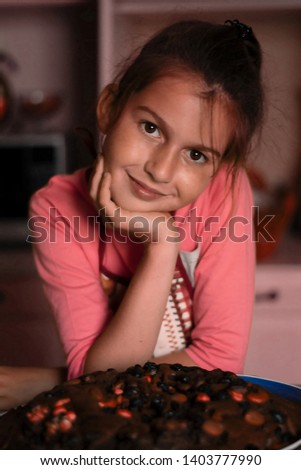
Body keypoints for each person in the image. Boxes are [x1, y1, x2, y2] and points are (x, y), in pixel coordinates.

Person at [0, 18, 264, 411]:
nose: (160, 170)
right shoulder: (57, 211)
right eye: (151, 127)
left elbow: (221, 362)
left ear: (217, 166)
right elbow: (101, 387)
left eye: (196, 155)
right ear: (109, 108)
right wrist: (161, 248)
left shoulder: (224, 190)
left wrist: (52, 381)